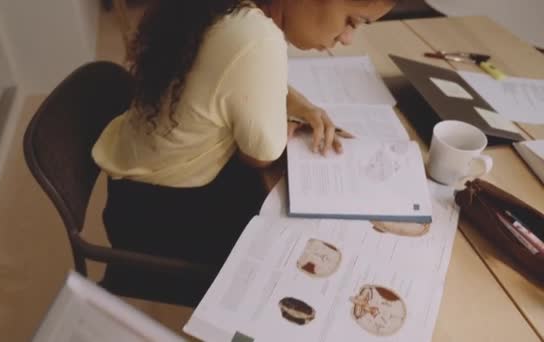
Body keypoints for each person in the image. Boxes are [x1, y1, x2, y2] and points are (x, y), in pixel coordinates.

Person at [92, 0, 397, 272]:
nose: (346, 38)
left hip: (133, 194)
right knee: (307, 252)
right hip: (160, 220)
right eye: (352, 21)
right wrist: (287, 122)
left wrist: (298, 104)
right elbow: (260, 156)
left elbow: (237, 73)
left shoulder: (233, 13)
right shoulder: (258, 38)